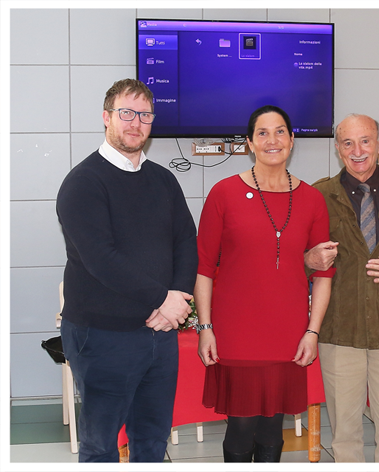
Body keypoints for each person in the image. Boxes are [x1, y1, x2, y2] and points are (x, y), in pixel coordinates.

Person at [56, 78, 198, 462]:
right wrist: (161, 300)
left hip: (161, 333)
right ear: (107, 117)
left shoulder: (163, 180)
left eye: (145, 115)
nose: (136, 122)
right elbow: (101, 258)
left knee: (152, 439)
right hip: (103, 335)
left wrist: (178, 299)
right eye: (126, 113)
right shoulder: (84, 182)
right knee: (101, 445)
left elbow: (186, 240)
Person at [194, 105, 333, 463]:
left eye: (280, 131)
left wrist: (312, 332)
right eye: (263, 133)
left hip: (287, 334)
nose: (273, 140)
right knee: (240, 428)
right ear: (249, 143)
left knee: (273, 428)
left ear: (291, 139)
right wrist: (205, 328)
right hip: (236, 332)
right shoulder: (223, 193)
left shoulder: (312, 199)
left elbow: (323, 275)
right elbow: (204, 268)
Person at [305, 114, 379, 462]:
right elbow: (296, 255)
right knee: (344, 432)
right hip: (340, 331)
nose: (358, 151)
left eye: (365, 141)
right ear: (338, 148)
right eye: (348, 143)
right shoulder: (318, 195)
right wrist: (308, 260)